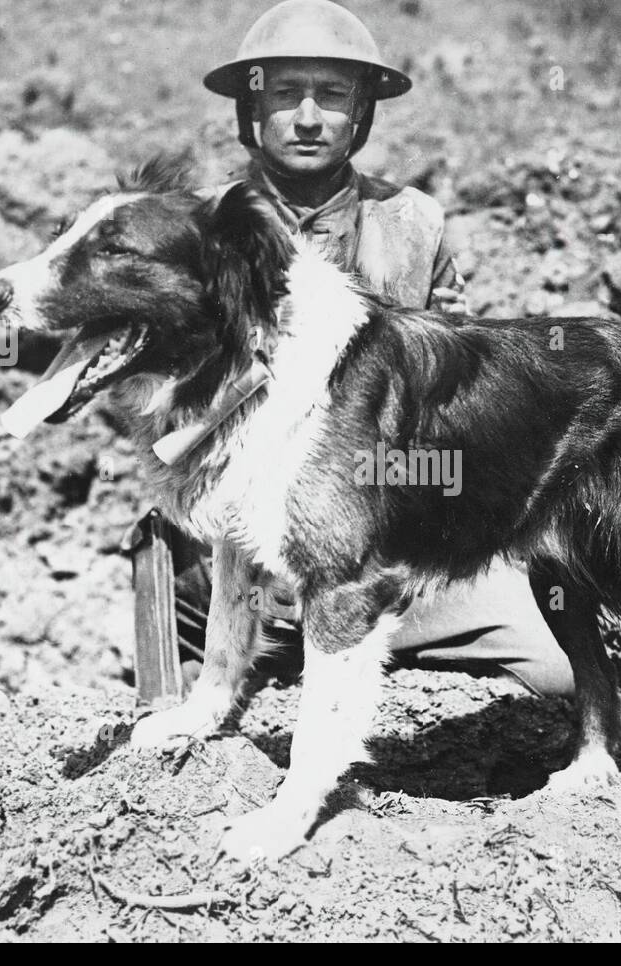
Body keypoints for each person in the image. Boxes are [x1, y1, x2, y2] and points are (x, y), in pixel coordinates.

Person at [128, 0, 573, 728]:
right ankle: (249, 650)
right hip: (237, 544)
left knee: (551, 675)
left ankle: (357, 642)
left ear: (361, 113)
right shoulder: (191, 228)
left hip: (393, 531)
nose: (308, 118)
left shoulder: (412, 223)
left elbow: (455, 386)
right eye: (284, 95)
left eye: (332, 96)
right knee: (175, 717)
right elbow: (150, 387)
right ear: (252, 108)